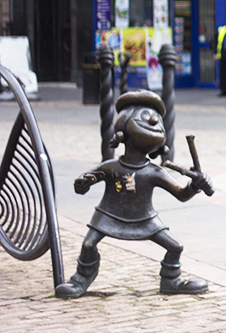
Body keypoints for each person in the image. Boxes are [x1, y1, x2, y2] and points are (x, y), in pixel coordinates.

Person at [56, 91, 213, 298]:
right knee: (88, 244)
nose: (155, 123)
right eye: (146, 119)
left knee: (175, 246)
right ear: (122, 129)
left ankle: (171, 280)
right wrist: (83, 183)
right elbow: (84, 184)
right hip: (108, 215)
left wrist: (195, 185)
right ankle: (81, 278)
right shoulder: (111, 167)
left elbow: (182, 195)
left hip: (145, 218)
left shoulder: (155, 172)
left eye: (158, 122)